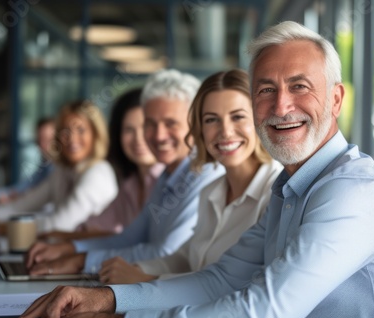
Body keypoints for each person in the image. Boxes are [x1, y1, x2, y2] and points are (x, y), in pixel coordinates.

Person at [16, 21, 374, 318]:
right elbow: (220, 281)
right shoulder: (289, 187)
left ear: (335, 99)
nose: (281, 106)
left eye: (299, 86)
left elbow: (262, 315)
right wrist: (106, 299)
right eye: (265, 90)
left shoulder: (350, 191)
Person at [23, 69, 225, 277]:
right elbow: (130, 237)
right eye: (150, 124)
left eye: (170, 123)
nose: (158, 135)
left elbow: (165, 253)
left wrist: (81, 260)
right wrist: (70, 249)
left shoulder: (205, 174)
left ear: (195, 124)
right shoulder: (168, 175)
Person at [98, 69, 282, 284]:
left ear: (260, 119)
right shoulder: (211, 191)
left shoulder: (276, 194)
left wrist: (147, 278)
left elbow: (232, 284)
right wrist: (136, 269)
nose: (225, 132)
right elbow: (185, 258)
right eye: (211, 120)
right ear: (199, 130)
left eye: (238, 117)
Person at [39, 88, 165, 241]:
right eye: (129, 130)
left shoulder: (171, 181)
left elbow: (148, 246)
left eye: (146, 127)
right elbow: (91, 227)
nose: (138, 139)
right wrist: (63, 242)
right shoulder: (130, 186)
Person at [0, 100, 118, 234]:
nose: (72, 138)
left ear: (95, 135)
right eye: (66, 132)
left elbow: (59, 225)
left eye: (81, 130)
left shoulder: (98, 172)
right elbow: (28, 202)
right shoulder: (64, 171)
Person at [0, 117, 56, 210]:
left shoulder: (57, 171)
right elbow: (21, 188)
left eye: (48, 140)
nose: (42, 145)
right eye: (39, 140)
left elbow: (37, 199)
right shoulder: (44, 168)